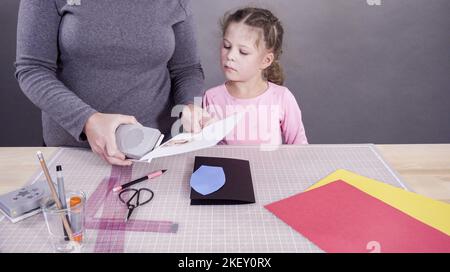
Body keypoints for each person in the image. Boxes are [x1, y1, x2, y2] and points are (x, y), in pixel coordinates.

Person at [15, 0, 211, 166]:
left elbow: (188, 68)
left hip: (156, 150)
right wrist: (87, 120)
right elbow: (32, 68)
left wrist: (190, 104)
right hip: (75, 152)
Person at [203, 7, 308, 145]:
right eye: (227, 46)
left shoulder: (282, 98)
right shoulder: (212, 98)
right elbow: (204, 149)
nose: (230, 56)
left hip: (271, 167)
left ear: (266, 60)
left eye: (243, 52)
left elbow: (299, 147)